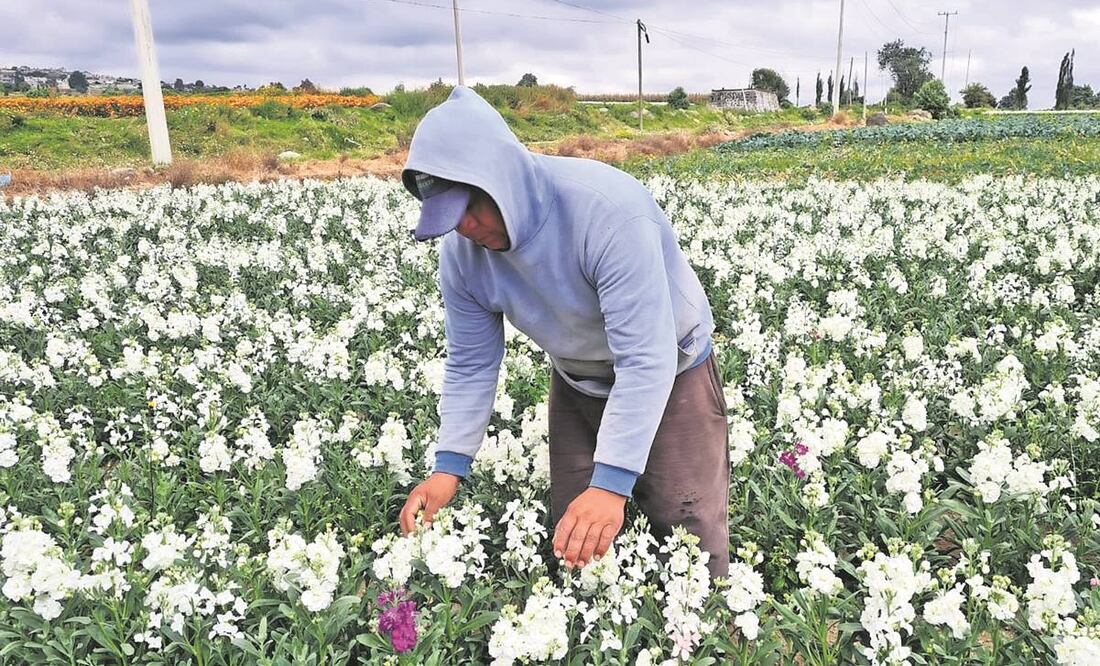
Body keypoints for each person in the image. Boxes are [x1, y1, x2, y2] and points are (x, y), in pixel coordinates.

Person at [397, 86, 730, 578]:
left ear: (501, 181)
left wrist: (613, 484)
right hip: (577, 377)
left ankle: (705, 628)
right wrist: (449, 467)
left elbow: (645, 357)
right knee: (576, 540)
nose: (465, 228)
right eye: (449, 220)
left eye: (469, 209)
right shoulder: (462, 256)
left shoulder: (606, 212)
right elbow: (471, 362)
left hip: (672, 367)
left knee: (686, 526)